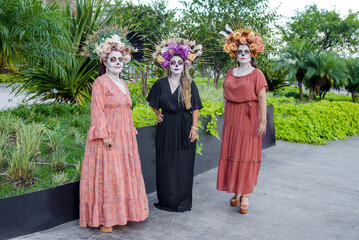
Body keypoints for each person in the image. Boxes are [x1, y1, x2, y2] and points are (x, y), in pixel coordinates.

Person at [79, 29, 148, 232]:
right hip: (108, 136)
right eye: (112, 59)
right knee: (108, 175)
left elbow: (126, 111)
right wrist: (105, 136)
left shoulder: (123, 83)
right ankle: (104, 219)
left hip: (125, 137)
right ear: (105, 62)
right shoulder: (101, 82)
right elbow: (97, 110)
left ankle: (124, 214)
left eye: (120, 59)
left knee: (123, 174)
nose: (117, 62)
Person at [146, 38, 203, 212]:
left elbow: (195, 109)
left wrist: (194, 128)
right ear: (168, 65)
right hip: (166, 127)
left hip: (184, 127)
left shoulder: (189, 84)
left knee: (183, 163)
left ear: (184, 65)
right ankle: (166, 201)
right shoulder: (160, 84)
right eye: (173, 62)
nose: (176, 65)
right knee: (166, 162)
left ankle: (182, 201)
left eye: (179, 62)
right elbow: (152, 102)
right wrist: (158, 114)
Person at [217, 26, 268, 214]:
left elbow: (262, 98)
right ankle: (237, 192)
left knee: (246, 154)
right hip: (232, 118)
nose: (243, 54)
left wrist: (263, 121)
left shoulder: (257, 74)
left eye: (246, 51)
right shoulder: (231, 73)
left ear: (251, 53)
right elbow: (225, 93)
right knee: (233, 152)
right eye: (240, 52)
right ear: (235, 54)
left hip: (249, 118)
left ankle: (245, 194)